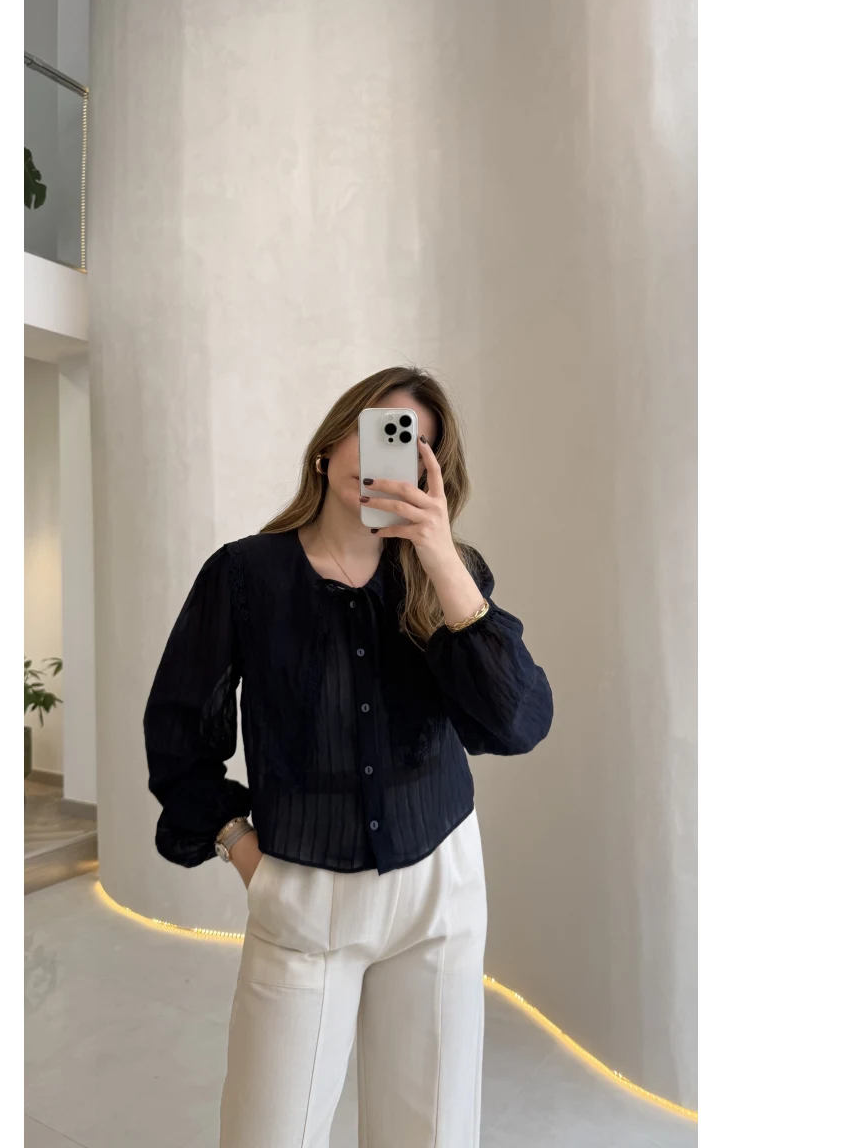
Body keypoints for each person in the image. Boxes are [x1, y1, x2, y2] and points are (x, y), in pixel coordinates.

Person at [143, 365, 554, 1148]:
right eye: (376, 429)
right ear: (329, 445)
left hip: (440, 887)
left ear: (431, 473)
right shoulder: (245, 576)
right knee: (269, 1133)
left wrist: (439, 554)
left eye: (412, 444)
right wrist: (242, 850)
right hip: (304, 891)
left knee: (431, 1132)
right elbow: (177, 734)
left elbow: (517, 721)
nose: (385, 453)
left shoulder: (446, 577)